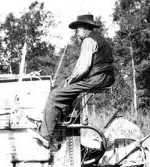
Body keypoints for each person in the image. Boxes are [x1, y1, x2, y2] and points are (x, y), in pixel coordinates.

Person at [38, 14, 115, 148]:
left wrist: (70, 80)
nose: (76, 33)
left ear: (84, 28)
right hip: (105, 78)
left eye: (77, 29)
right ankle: (62, 121)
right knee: (68, 93)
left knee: (55, 95)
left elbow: (83, 68)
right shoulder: (101, 40)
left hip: (97, 79)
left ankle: (45, 136)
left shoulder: (88, 41)